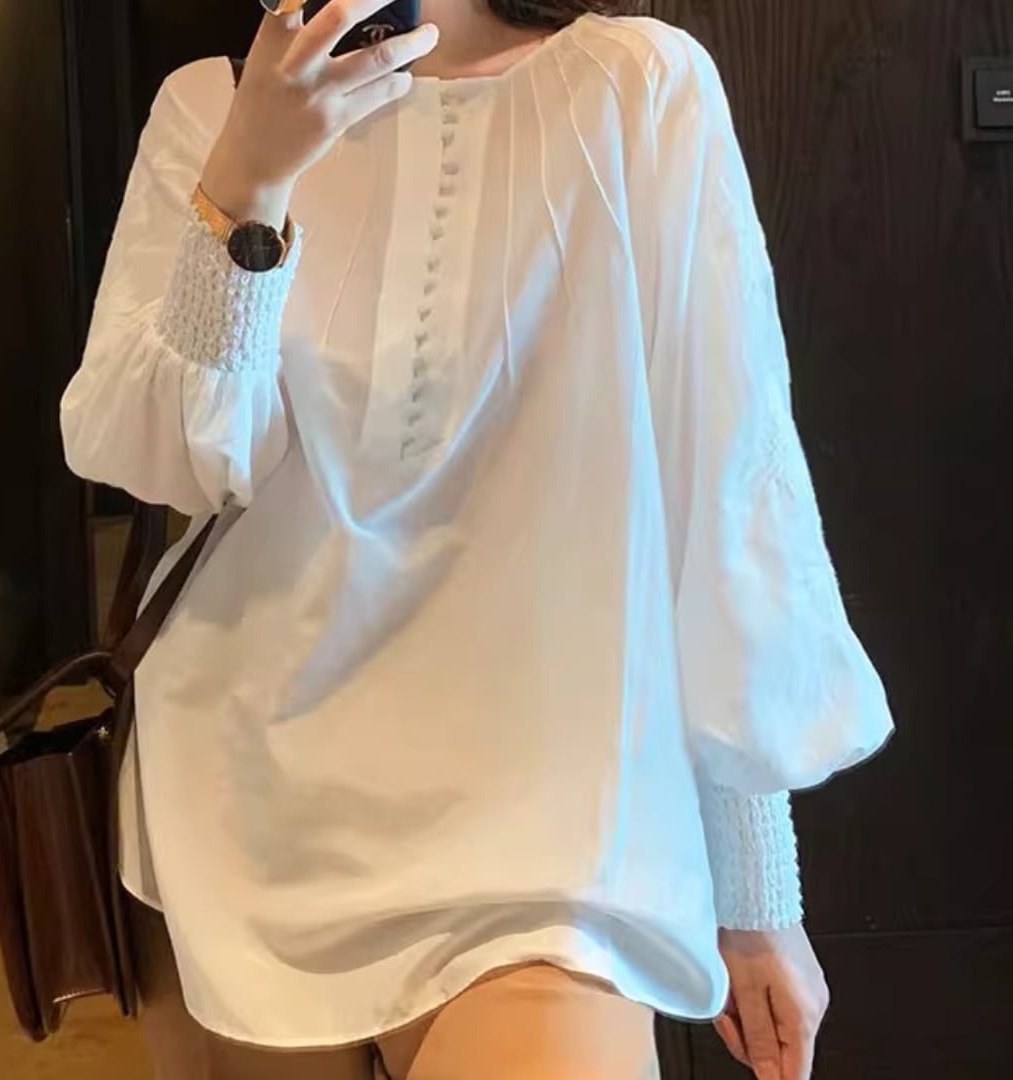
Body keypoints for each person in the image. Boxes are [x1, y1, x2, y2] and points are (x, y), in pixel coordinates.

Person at [60, 1, 894, 1078]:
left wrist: (756, 893)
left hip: (548, 839)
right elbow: (161, 460)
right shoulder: (208, 106)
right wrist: (249, 184)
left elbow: (723, 497)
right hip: (236, 814)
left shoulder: (639, 86)